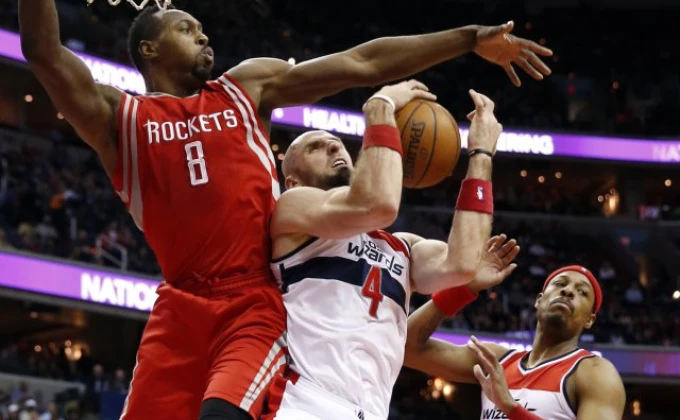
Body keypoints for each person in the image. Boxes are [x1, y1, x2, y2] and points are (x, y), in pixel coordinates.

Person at [18, 1, 552, 418]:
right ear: (149, 49)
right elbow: (43, 53)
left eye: (203, 28)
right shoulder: (119, 118)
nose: (204, 36)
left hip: (250, 303)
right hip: (179, 303)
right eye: (187, 29)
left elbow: (361, 62)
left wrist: (468, 38)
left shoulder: (245, 88)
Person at [264, 84, 515, 420]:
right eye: (315, 147)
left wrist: (481, 154)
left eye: (336, 142)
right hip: (304, 401)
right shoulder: (292, 212)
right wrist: (380, 108)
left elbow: (462, 263)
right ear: (293, 182)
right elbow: (377, 204)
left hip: (370, 411)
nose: (333, 145)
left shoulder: (403, 247)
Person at [405, 265, 626, 419]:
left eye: (582, 292)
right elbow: (407, 348)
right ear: (539, 301)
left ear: (590, 319)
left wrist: (511, 408)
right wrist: (465, 289)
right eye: (560, 284)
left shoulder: (595, 373)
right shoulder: (495, 360)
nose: (568, 291)